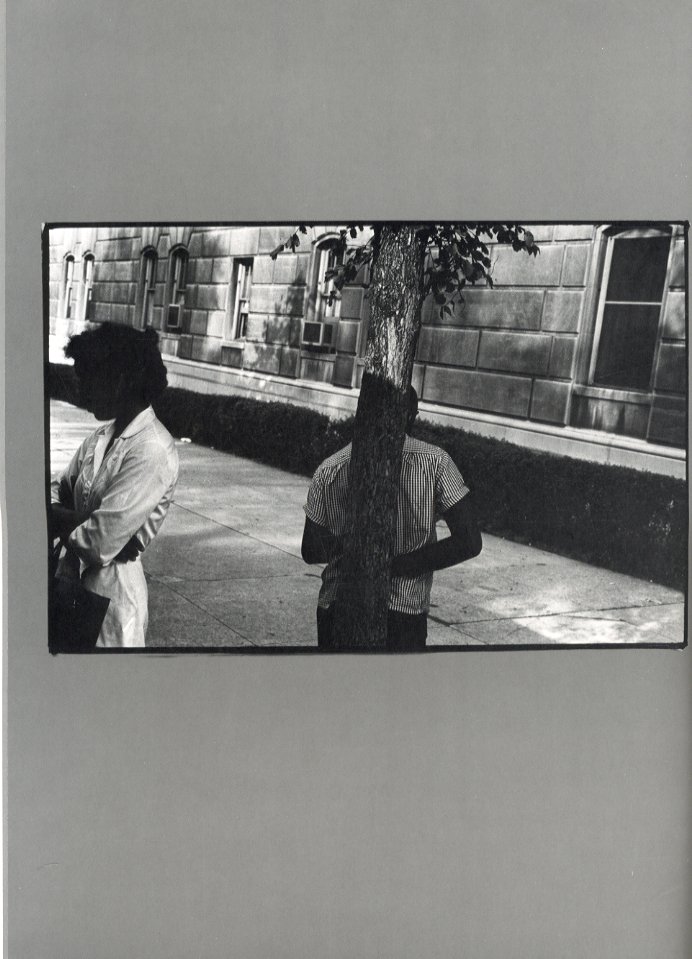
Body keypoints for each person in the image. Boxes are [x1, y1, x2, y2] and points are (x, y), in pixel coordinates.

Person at [301, 386, 482, 650]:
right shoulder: (436, 463)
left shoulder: (329, 469)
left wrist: (357, 555)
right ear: (411, 416)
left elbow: (311, 549)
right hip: (403, 613)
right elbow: (469, 541)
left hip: (338, 606)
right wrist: (396, 566)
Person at [50, 322, 179, 648]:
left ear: (120, 380)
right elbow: (53, 492)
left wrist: (61, 518)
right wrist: (88, 522)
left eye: (88, 379)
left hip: (112, 612)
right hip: (70, 590)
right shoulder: (100, 437)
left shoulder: (152, 449)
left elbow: (98, 543)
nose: (81, 392)